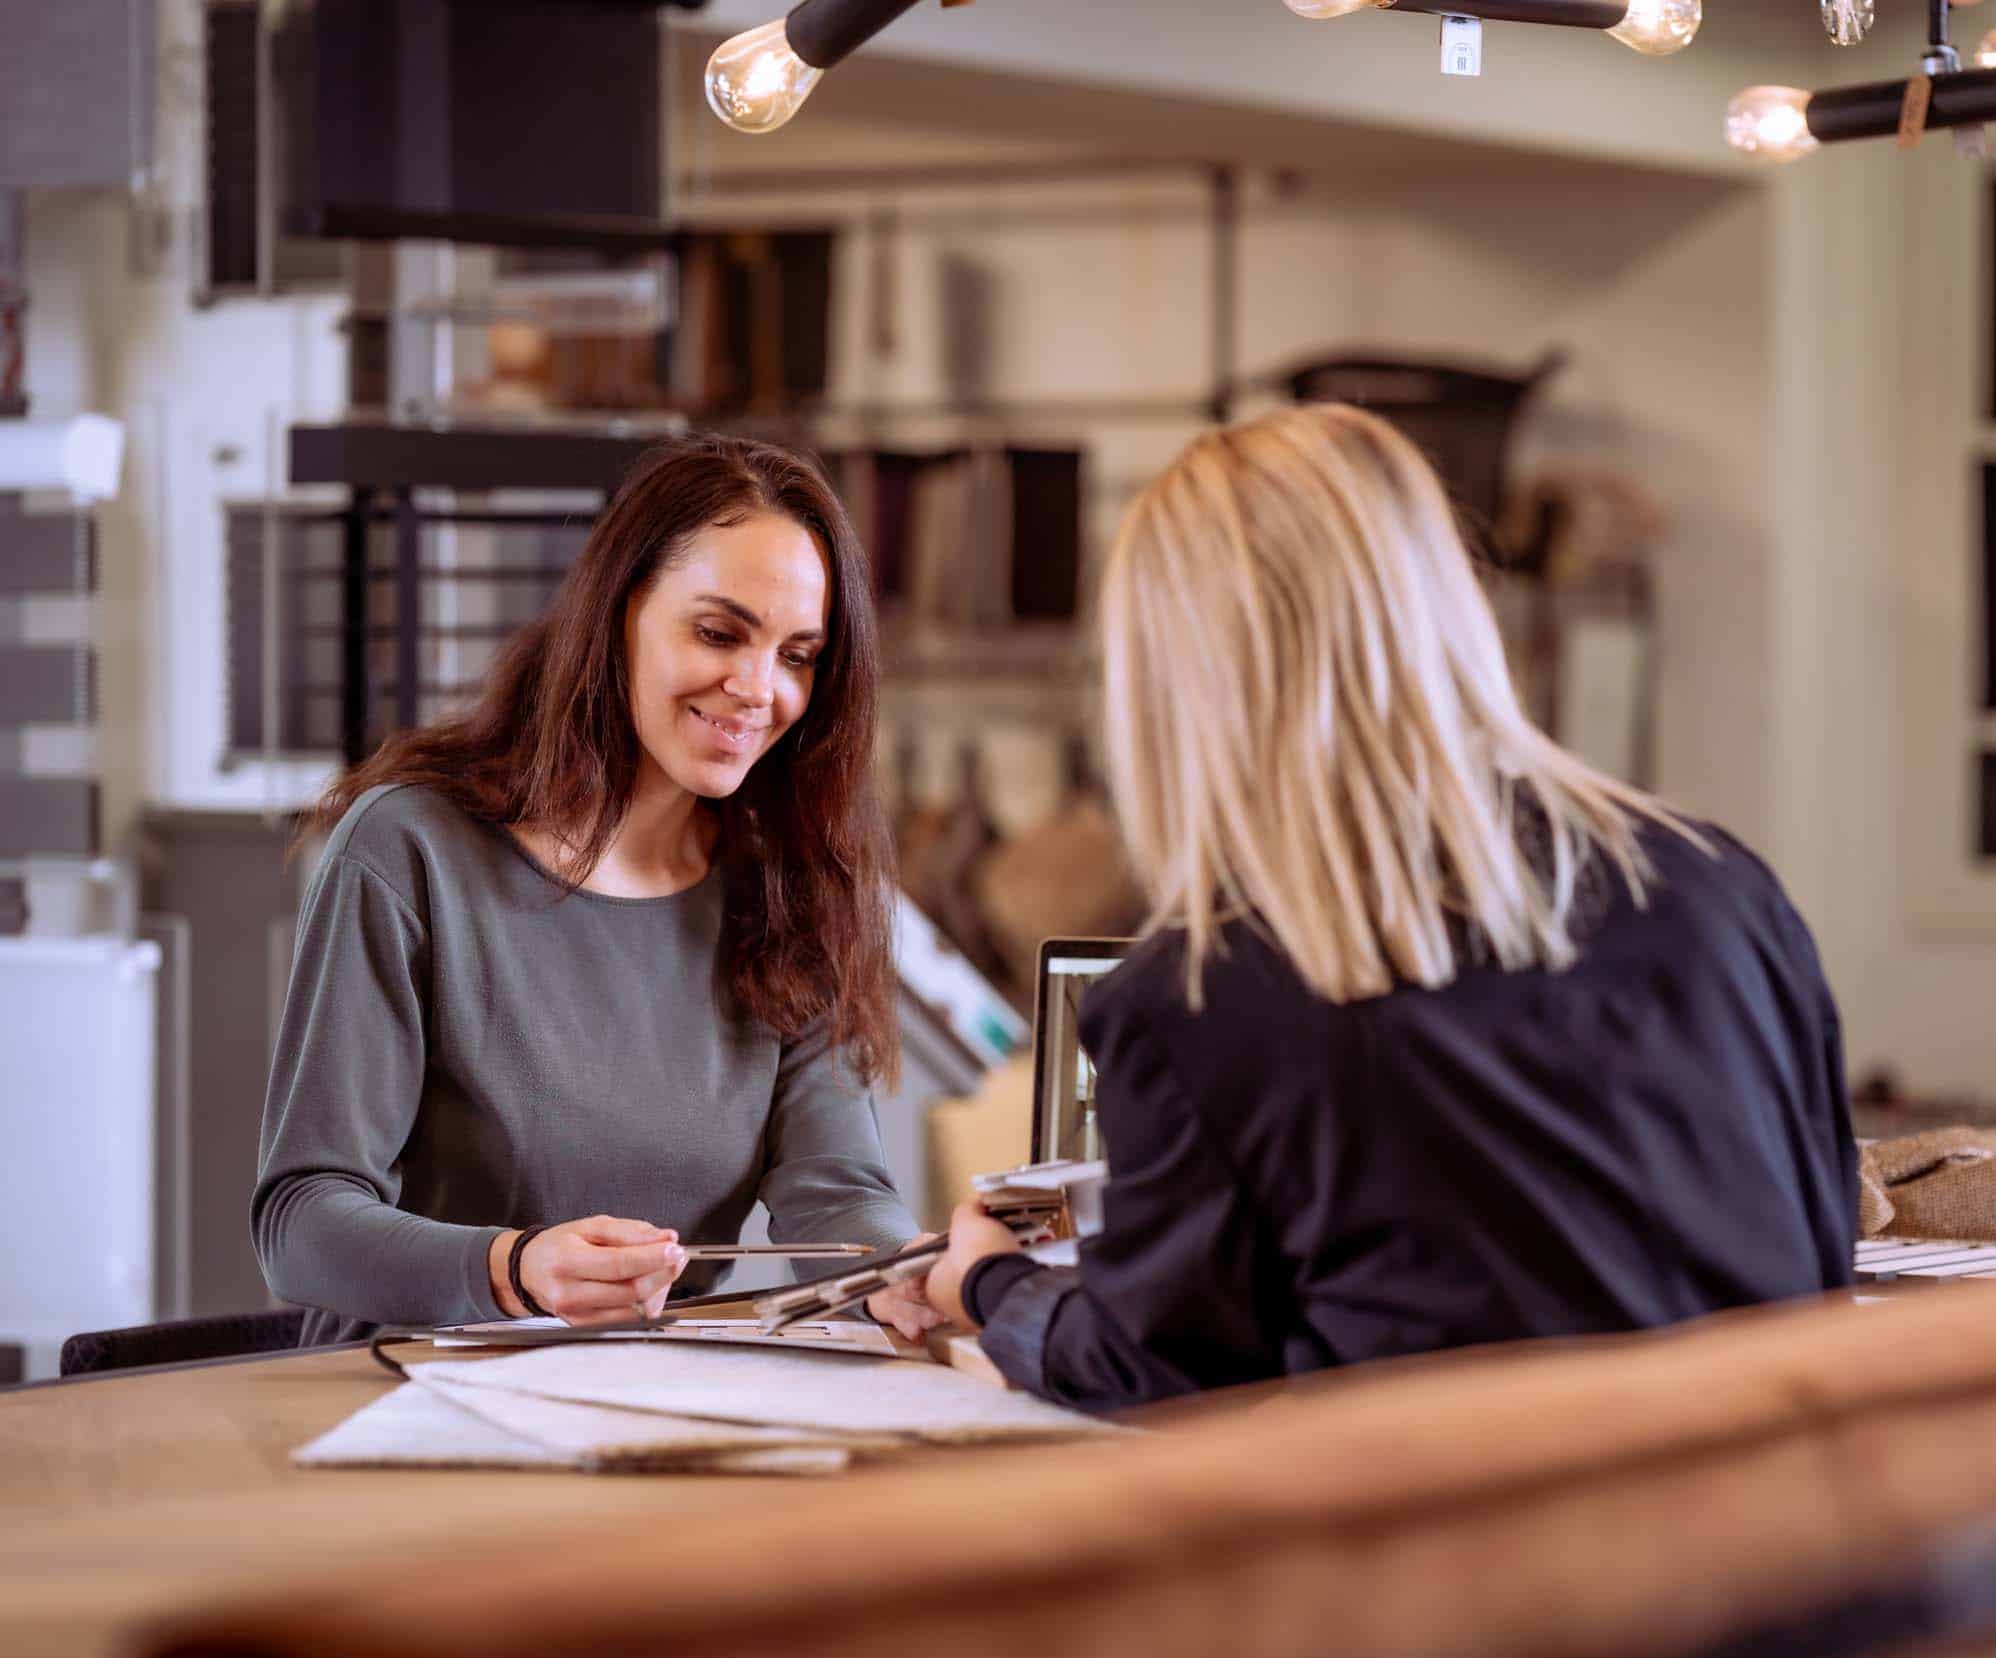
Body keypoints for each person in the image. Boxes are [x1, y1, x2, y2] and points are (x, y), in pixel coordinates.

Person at [925, 405, 1858, 1412]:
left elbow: (1163, 1374)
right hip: (1794, 1544)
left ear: (1172, 683)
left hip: (1471, 1559)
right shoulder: (1723, 891)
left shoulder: (1199, 1000)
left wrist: (986, 1280)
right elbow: (1821, 1254)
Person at [253, 434, 941, 1346]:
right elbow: (300, 1222)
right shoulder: (408, 852)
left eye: (799, 655)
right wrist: (511, 1267)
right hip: (412, 1416)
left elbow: (841, 1193)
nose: (757, 688)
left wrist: (904, 1269)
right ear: (618, 610)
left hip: (660, 1413)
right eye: (718, 632)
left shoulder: (790, 888)